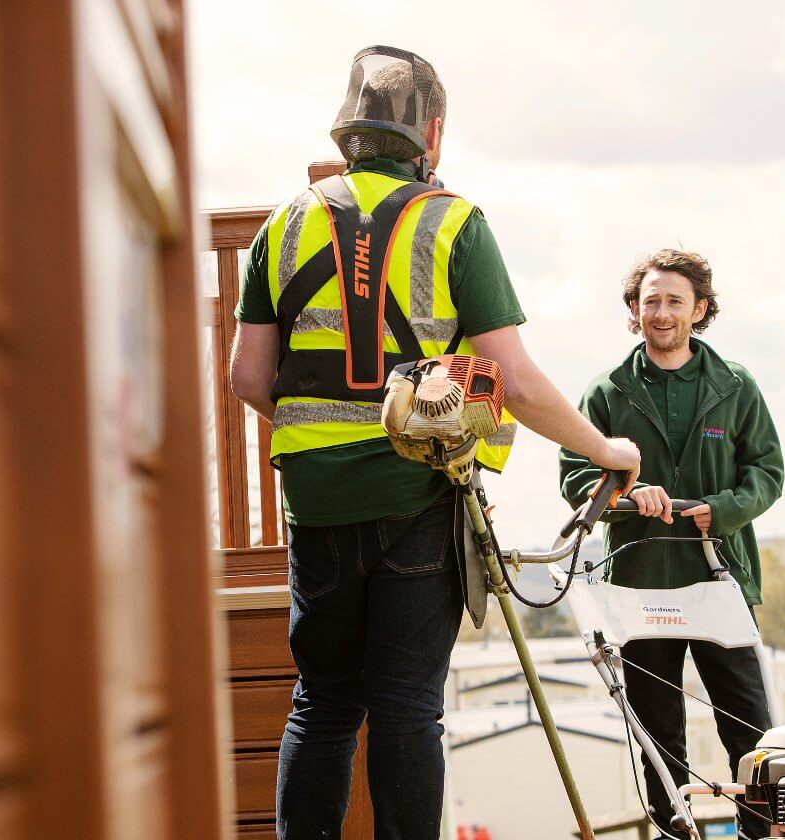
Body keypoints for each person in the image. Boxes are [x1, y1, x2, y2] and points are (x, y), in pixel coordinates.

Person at [227, 46, 640, 840]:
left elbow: (248, 378)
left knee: (324, 701)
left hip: (314, 502)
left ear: (348, 131)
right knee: (408, 707)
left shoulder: (282, 224)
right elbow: (514, 383)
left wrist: (321, 442)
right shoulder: (454, 223)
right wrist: (605, 449)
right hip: (417, 498)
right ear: (433, 135)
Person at [559, 248, 784, 839]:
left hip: (720, 576)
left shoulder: (735, 386)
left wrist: (726, 509)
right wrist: (631, 494)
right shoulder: (607, 392)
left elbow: (767, 472)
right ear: (634, 310)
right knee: (659, 734)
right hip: (642, 581)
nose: (661, 312)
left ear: (700, 309)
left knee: (752, 730)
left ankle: (759, 831)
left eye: (674, 301)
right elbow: (576, 477)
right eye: (650, 301)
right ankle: (674, 831)